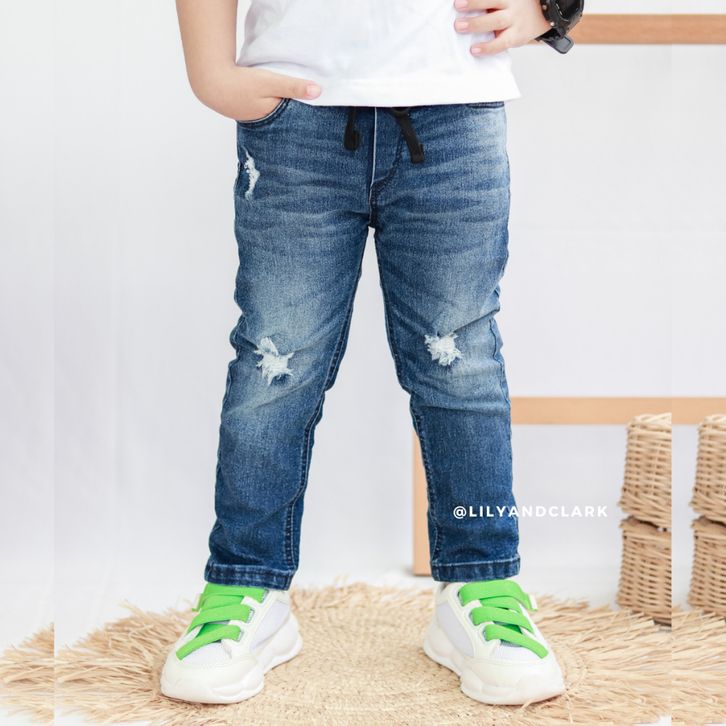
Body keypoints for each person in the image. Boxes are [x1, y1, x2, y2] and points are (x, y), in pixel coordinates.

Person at [161, 0, 568, 707]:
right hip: (296, 113)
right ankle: (245, 587)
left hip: (455, 107)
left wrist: (556, 8)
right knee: (275, 364)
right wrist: (210, 72)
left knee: (461, 365)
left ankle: (481, 585)